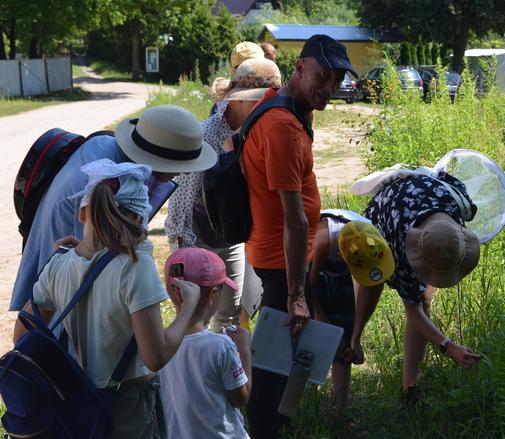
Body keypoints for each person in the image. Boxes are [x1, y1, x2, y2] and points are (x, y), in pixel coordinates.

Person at [13, 159, 201, 438]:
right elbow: (155, 356)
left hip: (78, 400)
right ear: (140, 218)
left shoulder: (59, 264)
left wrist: (74, 266)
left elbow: (22, 336)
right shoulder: (136, 267)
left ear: (82, 214)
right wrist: (188, 310)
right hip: (128, 404)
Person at [242, 34, 357, 438]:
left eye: (338, 80)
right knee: (273, 364)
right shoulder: (283, 127)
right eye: (323, 76)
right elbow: (294, 220)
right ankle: (263, 431)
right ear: (300, 67)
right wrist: (295, 295)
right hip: (280, 260)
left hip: (284, 256)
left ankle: (281, 425)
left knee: (287, 356)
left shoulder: (288, 104)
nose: (330, 88)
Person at [9, 105, 217, 312]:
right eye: (182, 167)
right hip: (65, 297)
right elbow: (89, 285)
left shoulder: (107, 153)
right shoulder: (107, 188)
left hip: (54, 274)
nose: (186, 174)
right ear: (160, 161)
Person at [165, 57, 281, 332]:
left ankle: (223, 371)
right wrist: (183, 250)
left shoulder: (260, 130)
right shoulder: (205, 135)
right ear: (238, 100)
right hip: (197, 236)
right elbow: (182, 196)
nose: (266, 108)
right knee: (196, 317)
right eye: (259, 100)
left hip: (230, 236)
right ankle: (191, 371)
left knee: (230, 314)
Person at [349, 170, 483, 404]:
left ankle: (410, 389)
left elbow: (445, 176)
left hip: (422, 208)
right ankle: (353, 338)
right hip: (385, 217)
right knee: (375, 282)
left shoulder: (453, 210)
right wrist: (450, 347)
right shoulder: (402, 248)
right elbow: (413, 311)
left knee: (424, 298)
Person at [160, 247, 252, 439]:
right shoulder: (221, 346)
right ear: (213, 295)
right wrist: (244, 350)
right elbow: (240, 398)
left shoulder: (159, 345)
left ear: (172, 291)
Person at [310, 210, 394, 419]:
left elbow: (371, 288)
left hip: (340, 270)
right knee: (308, 336)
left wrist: (355, 337)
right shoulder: (322, 241)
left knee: (345, 339)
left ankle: (340, 412)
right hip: (310, 274)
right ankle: (303, 404)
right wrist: (328, 331)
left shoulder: (375, 246)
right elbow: (305, 289)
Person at [210, 41, 265, 116]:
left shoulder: (269, 92)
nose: (255, 72)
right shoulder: (225, 103)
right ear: (235, 70)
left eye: (260, 66)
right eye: (247, 68)